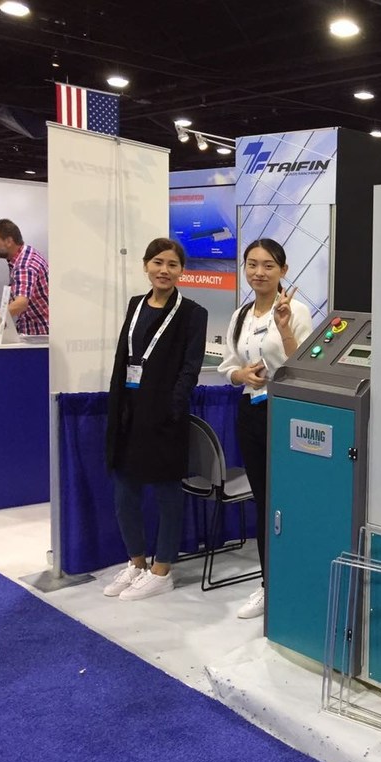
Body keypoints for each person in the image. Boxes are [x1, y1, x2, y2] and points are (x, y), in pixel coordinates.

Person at [103, 238, 208, 601]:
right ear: (146, 265)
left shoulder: (193, 313)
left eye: (172, 264)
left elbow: (190, 368)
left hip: (165, 416)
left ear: (182, 271)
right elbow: (124, 357)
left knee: (167, 492)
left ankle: (162, 569)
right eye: (158, 262)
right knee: (124, 491)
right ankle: (137, 562)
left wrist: (172, 408)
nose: (164, 270)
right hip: (128, 412)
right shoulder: (135, 305)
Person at [219, 238, 313, 619]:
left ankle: (294, 581)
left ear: (283, 271)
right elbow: (228, 365)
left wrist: (284, 328)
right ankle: (268, 584)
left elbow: (306, 365)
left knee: (287, 500)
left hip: (285, 411)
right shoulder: (241, 315)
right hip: (251, 412)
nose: (259, 272)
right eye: (252, 265)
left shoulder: (297, 311)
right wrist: (240, 374)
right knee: (263, 500)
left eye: (269, 265)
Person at [0, 218, 49, 335]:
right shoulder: (27, 254)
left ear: (9, 241)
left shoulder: (24, 265)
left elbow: (21, 303)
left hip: (39, 333)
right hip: (35, 330)